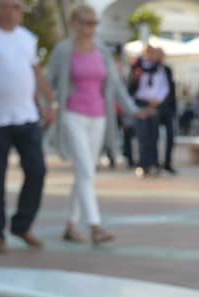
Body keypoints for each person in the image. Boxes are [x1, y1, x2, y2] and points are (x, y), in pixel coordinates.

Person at [46, 6, 150, 244]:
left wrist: (134, 110)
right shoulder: (63, 51)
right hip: (72, 114)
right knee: (84, 168)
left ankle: (71, 225)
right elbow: (48, 80)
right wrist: (45, 106)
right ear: (74, 24)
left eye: (94, 23)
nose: (91, 28)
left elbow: (116, 86)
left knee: (86, 172)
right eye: (86, 22)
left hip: (99, 116)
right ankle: (94, 225)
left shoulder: (102, 51)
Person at [0, 0, 56, 254]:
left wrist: (46, 104)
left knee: (37, 170)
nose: (15, 11)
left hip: (25, 117)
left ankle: (22, 224)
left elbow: (32, 74)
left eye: (18, 6)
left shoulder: (27, 38)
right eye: (9, 6)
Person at [127, 44, 171, 177]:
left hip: (155, 104)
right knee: (143, 135)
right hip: (140, 103)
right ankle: (143, 163)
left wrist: (157, 100)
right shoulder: (137, 67)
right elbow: (131, 86)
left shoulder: (160, 68)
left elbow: (164, 87)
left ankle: (153, 163)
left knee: (154, 135)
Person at [154, 47, 178, 174]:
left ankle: (167, 163)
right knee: (154, 136)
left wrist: (173, 107)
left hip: (167, 108)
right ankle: (155, 162)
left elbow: (172, 89)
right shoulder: (150, 69)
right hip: (155, 108)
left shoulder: (167, 70)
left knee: (170, 136)